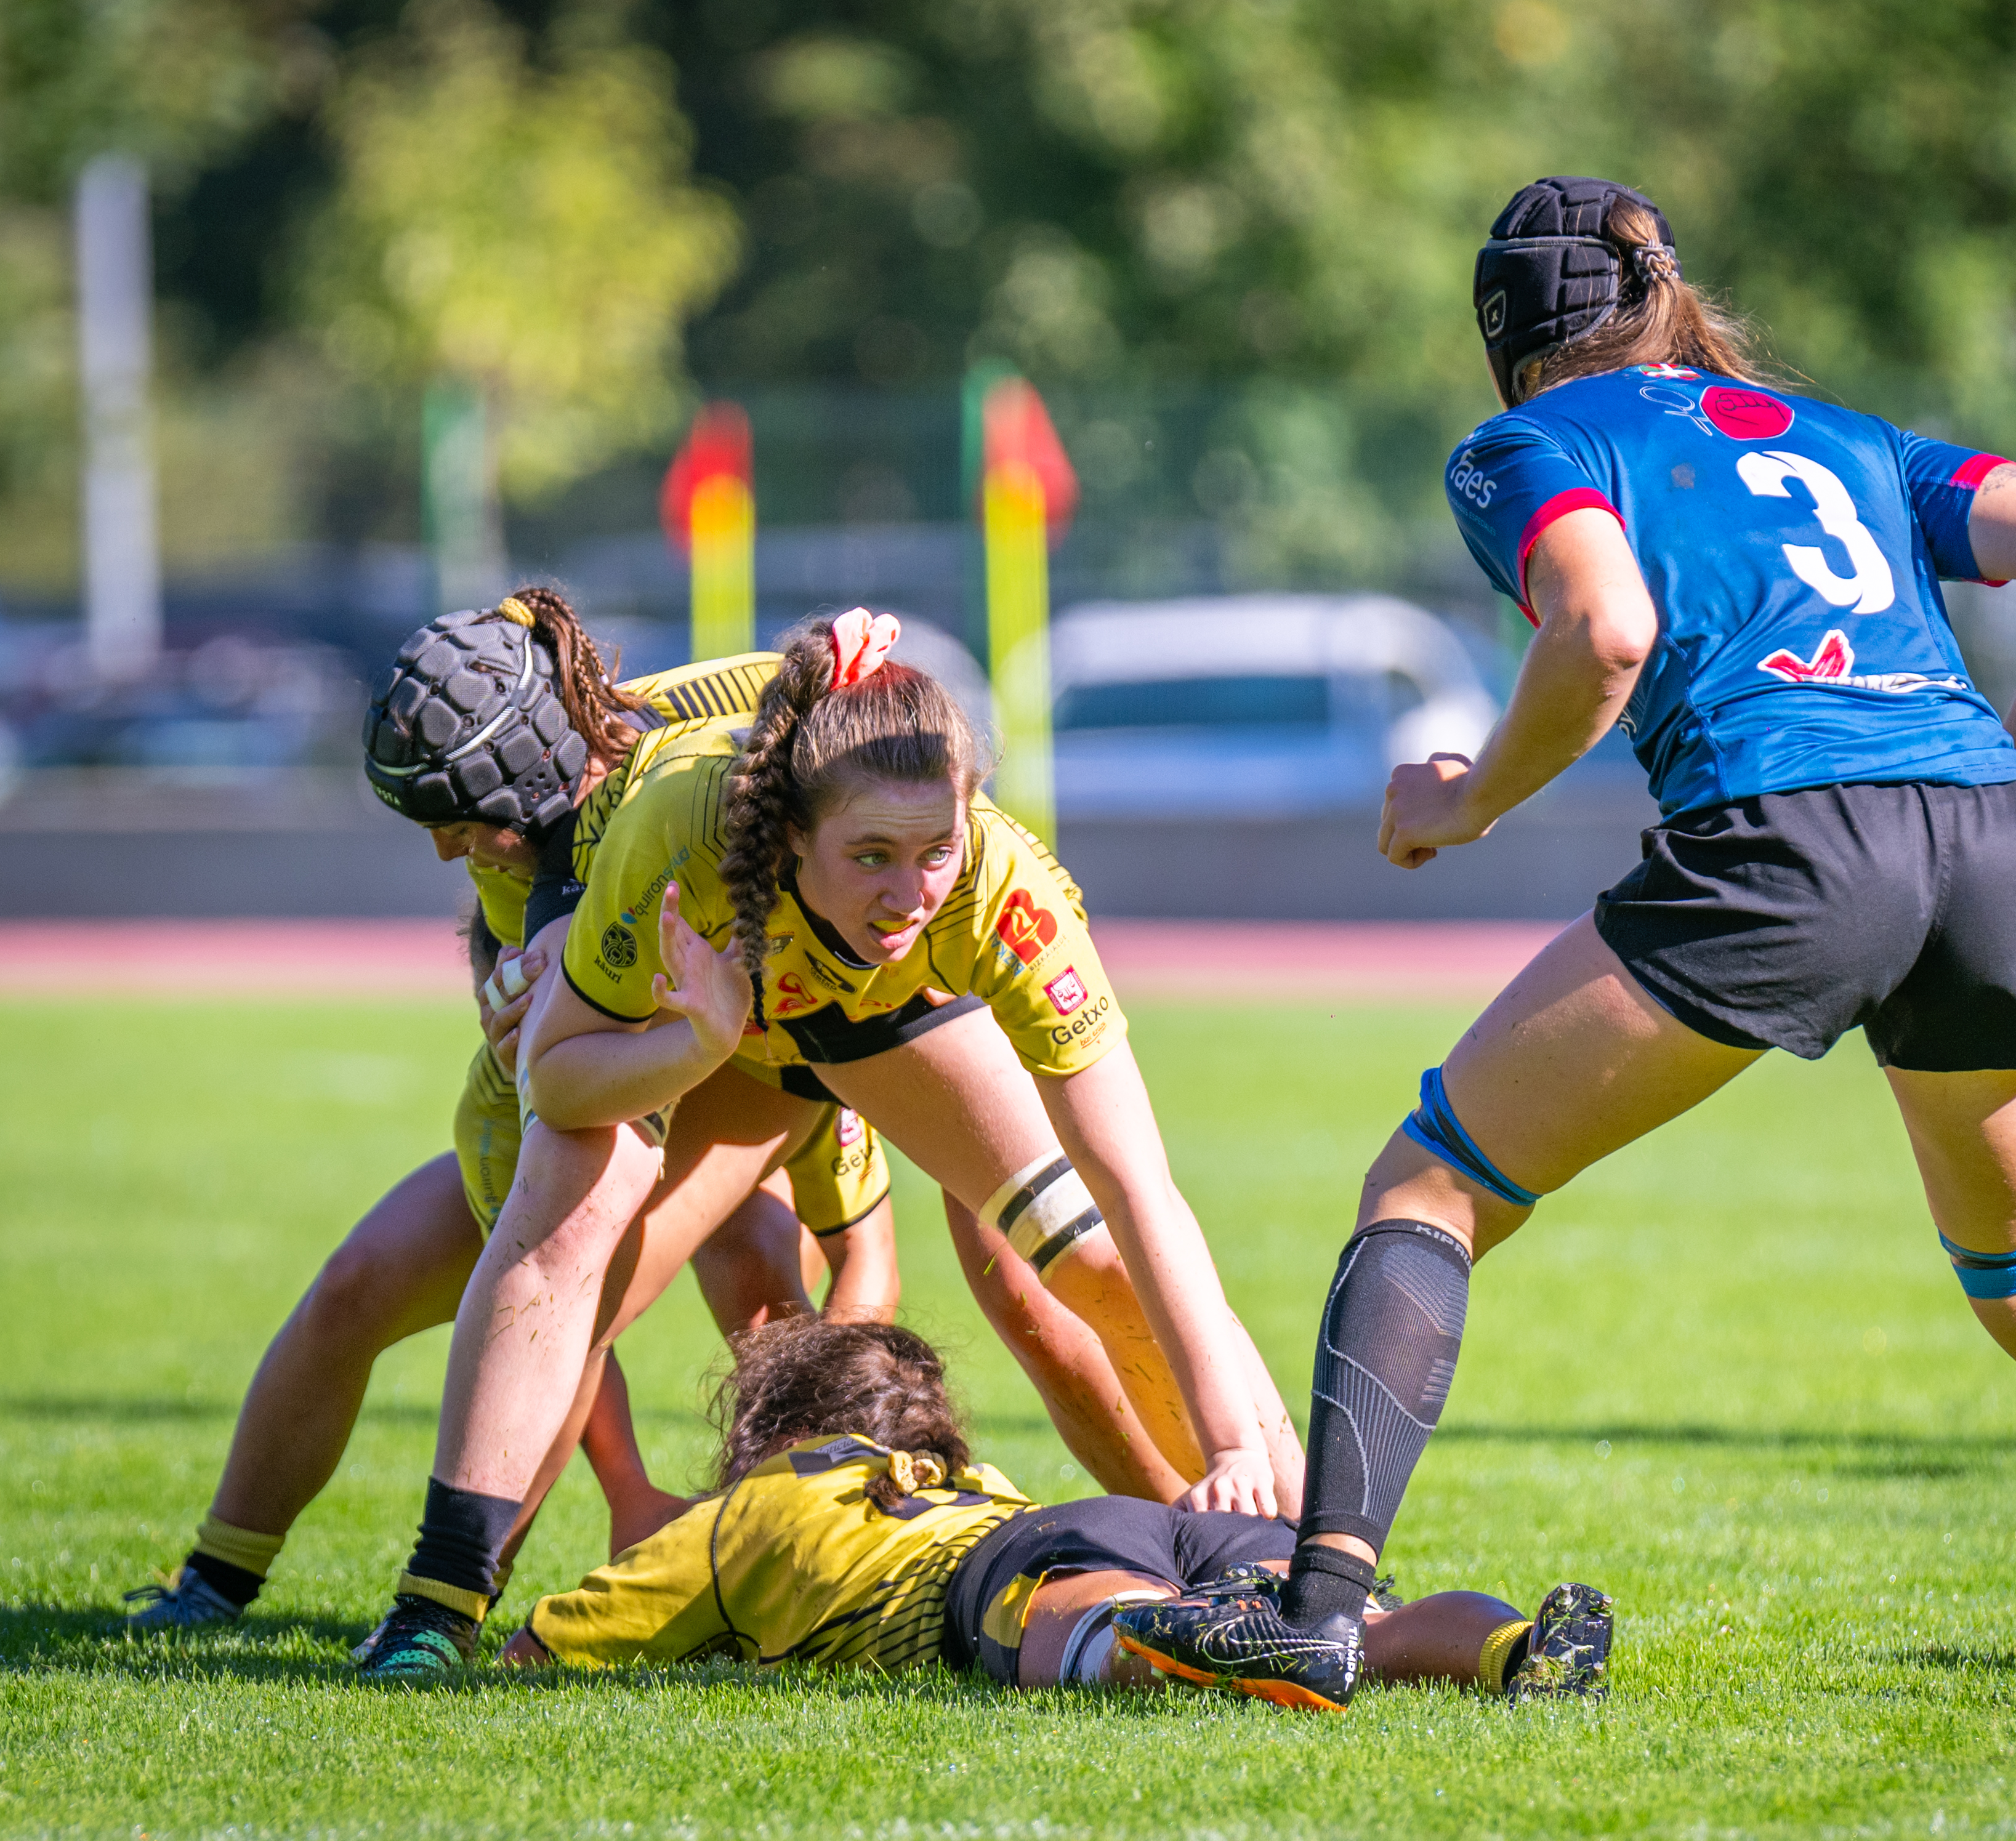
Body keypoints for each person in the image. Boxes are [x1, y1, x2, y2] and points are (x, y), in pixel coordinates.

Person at [1129, 176, 2016, 1714]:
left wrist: (1463, 801)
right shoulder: (1849, 439)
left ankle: (1318, 1615)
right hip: (1974, 839)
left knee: (1429, 1184)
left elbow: (1601, 633)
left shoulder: (1532, 444)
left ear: (1508, 341)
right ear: (1665, 291)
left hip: (1791, 838)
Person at [354, 606, 1302, 1682]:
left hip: (872, 1012)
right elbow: (557, 1079)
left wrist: (1232, 1445)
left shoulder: (999, 886)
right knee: (568, 1231)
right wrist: (697, 1036)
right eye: (873, 856)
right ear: (796, 831)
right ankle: (439, 1604)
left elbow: (1138, 1185)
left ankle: (1299, 1565)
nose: (908, 894)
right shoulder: (679, 831)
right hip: (697, 1002)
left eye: (934, 850)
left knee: (1076, 1260)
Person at [124, 590, 898, 1633]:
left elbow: (867, 1254)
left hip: (759, 1067)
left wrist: (861, 670)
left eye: (458, 823)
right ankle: (221, 1583)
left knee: (751, 1259)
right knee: (369, 1287)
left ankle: (805, 1559)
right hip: (614, 1071)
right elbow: (536, 1227)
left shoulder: (738, 795)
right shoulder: (537, 864)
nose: (449, 853)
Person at [498, 1315, 1607, 1711]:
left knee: (1083, 1618)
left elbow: (552, 1643)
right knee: (1359, 1628)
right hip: (1118, 1513)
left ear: (781, 1431)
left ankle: (1173, 1639)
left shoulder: (752, 1514)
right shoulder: (961, 1481)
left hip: (1028, 1562)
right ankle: (1518, 1645)